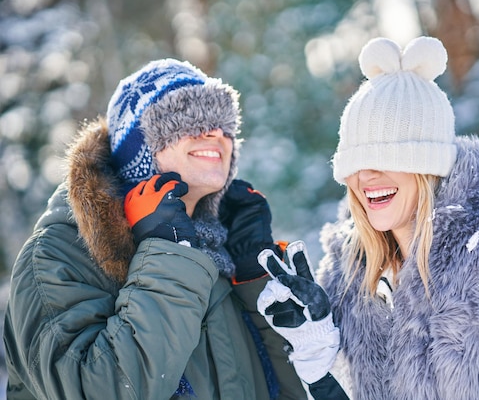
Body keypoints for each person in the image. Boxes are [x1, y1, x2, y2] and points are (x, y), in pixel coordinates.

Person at [255, 37, 479, 399]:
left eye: (387, 157)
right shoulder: (350, 281)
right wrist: (319, 359)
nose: (366, 176)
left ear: (426, 165)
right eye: (355, 162)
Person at [2, 58, 307, 399]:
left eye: (224, 124)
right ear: (139, 151)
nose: (215, 134)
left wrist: (255, 285)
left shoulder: (223, 253)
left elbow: (298, 387)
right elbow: (100, 390)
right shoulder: (56, 255)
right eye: (188, 119)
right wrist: (168, 255)